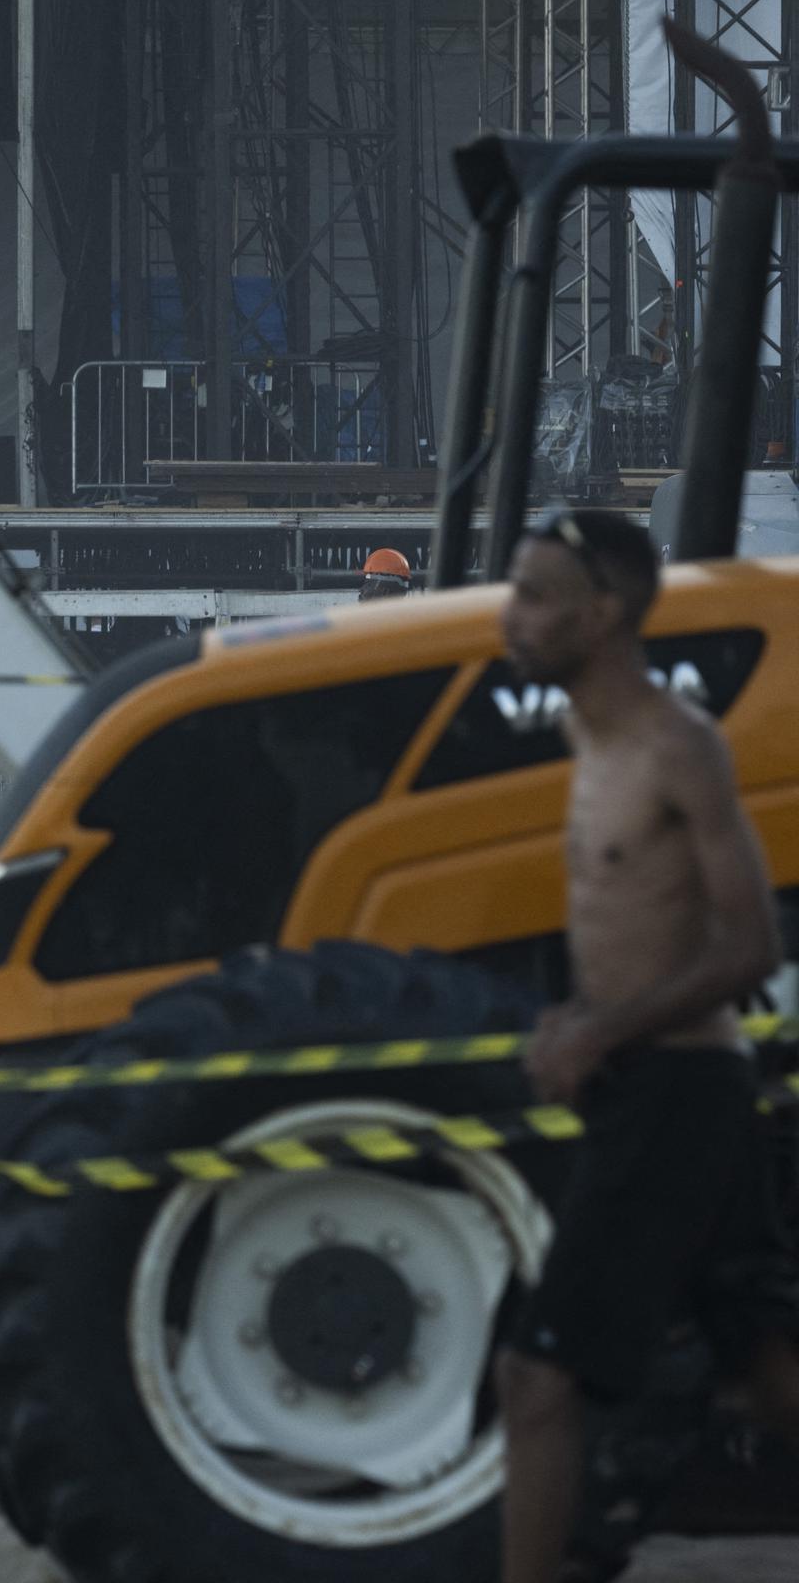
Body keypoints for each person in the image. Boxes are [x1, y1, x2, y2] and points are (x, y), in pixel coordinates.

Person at [493, 507, 799, 1583]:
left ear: (605, 611)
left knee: (538, 1381)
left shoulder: (679, 745)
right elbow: (634, 918)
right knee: (767, 1376)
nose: (510, 616)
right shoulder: (589, 734)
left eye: (535, 596)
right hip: (645, 1076)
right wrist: (575, 1013)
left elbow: (748, 941)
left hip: (679, 1086)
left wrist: (605, 1031)